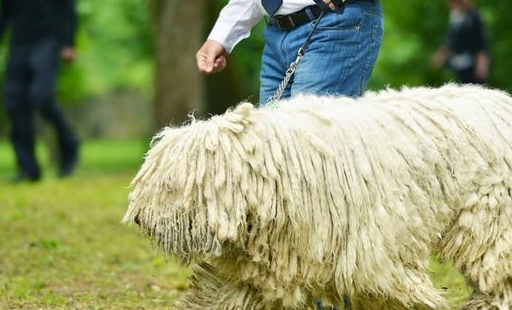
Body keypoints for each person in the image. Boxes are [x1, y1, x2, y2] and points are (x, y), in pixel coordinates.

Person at [196, 0, 383, 104]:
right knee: (271, 149)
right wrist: (221, 36)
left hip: (333, 23)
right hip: (276, 34)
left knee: (310, 147)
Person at [0, 0, 80, 182]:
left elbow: (69, 9)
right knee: (14, 104)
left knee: (41, 97)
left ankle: (70, 144)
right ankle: (28, 169)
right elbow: (5, 14)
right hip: (18, 45)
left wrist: (69, 43)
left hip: (48, 41)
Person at [431, 0, 490, 84]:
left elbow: (481, 42)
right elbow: (450, 39)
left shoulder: (473, 16)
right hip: (457, 63)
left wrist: (482, 63)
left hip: (471, 62)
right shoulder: (455, 16)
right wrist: (441, 55)